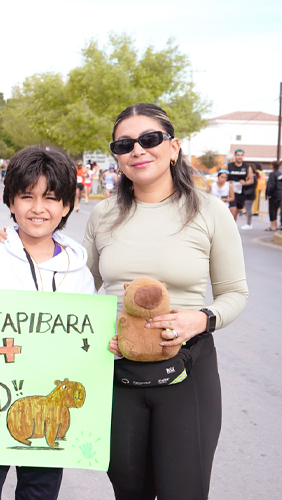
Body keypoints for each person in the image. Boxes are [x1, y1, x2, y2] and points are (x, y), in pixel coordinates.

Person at [85, 103, 248, 500]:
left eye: (150, 139)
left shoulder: (210, 212)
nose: (137, 150)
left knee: (183, 490)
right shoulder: (103, 214)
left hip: (188, 370)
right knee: (129, 489)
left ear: (173, 147)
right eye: (124, 144)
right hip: (117, 374)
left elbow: (235, 293)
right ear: (118, 157)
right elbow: (78, 288)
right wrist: (14, 244)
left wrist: (201, 320)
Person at [0, 145, 96, 500]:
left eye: (50, 198)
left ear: (67, 205)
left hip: (48, 414)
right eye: (26, 196)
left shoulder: (77, 270)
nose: (37, 208)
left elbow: (88, 338)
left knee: (40, 491)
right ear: (11, 202)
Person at [226, 149, 254, 225]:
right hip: (230, 193)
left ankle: (232, 227)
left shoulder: (247, 167)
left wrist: (245, 182)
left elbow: (251, 180)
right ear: (235, 156)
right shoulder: (228, 166)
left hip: (240, 193)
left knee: (236, 212)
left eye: (241, 155)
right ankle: (230, 228)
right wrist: (227, 182)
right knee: (232, 212)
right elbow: (221, 176)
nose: (239, 157)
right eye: (238, 155)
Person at [266, 160, 282, 231]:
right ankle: (276, 225)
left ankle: (272, 226)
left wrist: (268, 194)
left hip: (274, 195)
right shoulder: (280, 173)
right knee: (277, 210)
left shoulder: (272, 174)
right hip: (280, 194)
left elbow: (271, 186)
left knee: (272, 210)